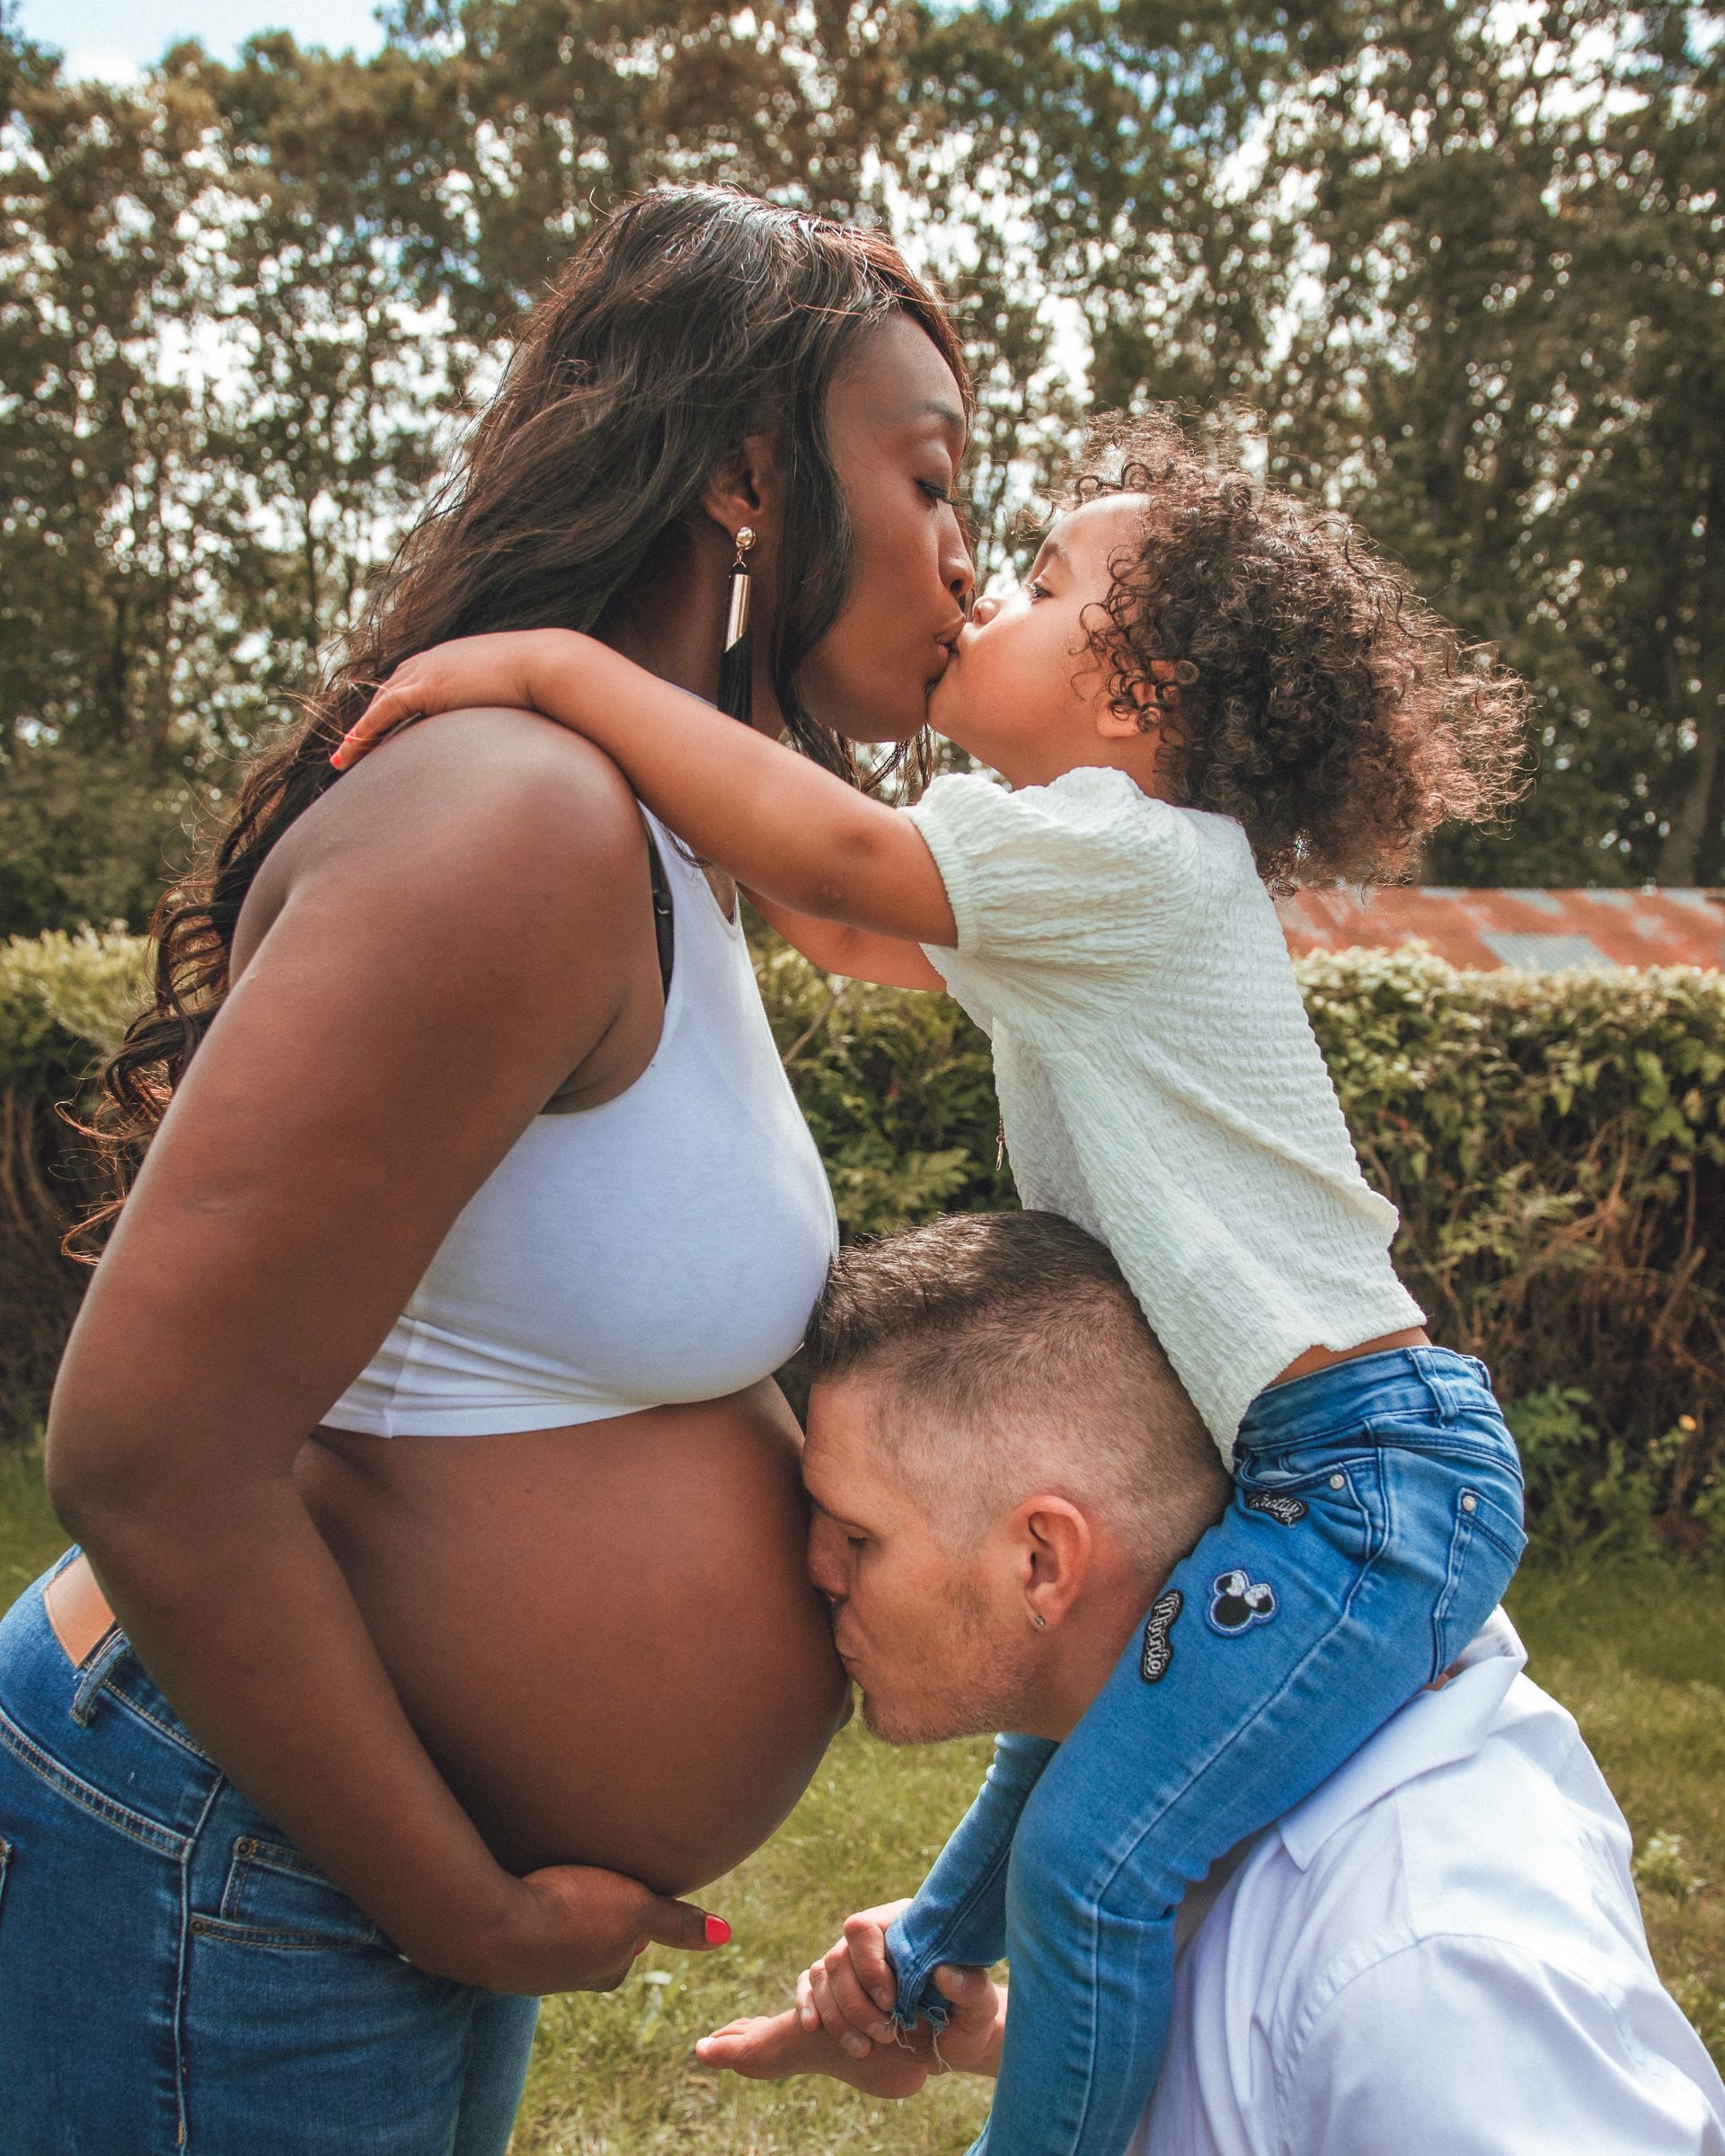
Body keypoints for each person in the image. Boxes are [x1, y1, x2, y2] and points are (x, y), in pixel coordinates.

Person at [337, 411, 1531, 2151]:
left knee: (1097, 1863)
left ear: (1137, 697)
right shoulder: (1080, 885)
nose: (990, 587)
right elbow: (836, 917)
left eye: (1046, 580)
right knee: (1060, 1749)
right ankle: (912, 1983)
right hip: (1310, 1463)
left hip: (1361, 1482)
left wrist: (555, 670)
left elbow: (829, 863)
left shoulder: (1138, 858)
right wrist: (726, 685)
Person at [0, 187, 978, 2153]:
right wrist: (459, 1902)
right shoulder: (520, 821)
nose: (965, 559)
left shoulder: (659, 840)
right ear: (743, 473)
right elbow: (145, 1449)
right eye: (935, 478)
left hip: (343, 1870)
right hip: (246, 1858)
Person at [697, 1212, 1725, 2156]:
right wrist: (1010, 2037)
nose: (816, 1570)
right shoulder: (1189, 1783)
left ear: (1042, 1563)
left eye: (858, 1537)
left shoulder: (1424, 1976)